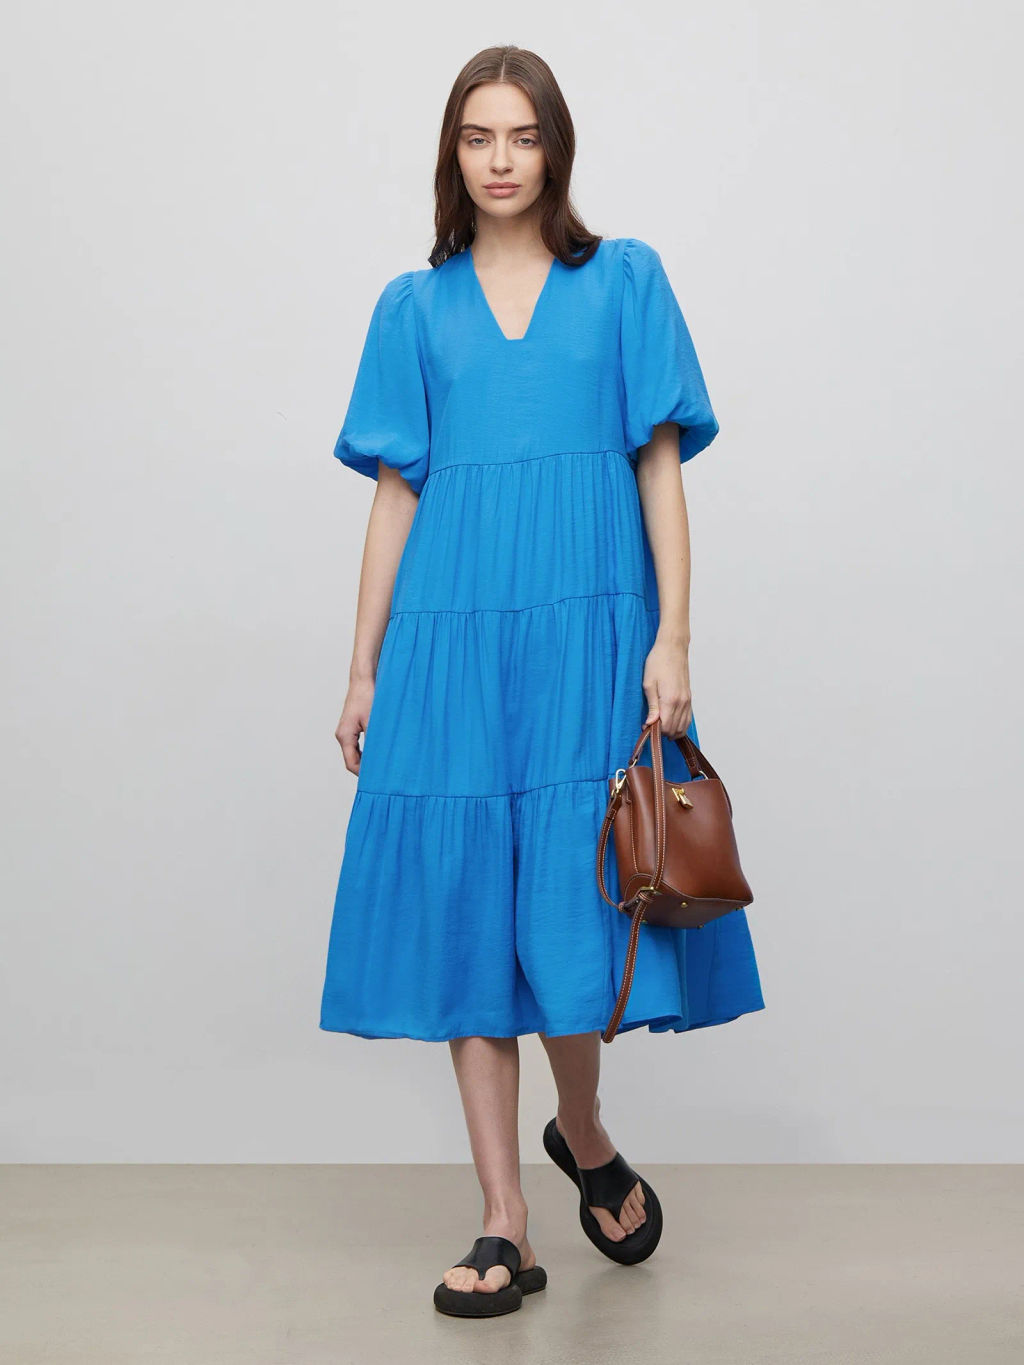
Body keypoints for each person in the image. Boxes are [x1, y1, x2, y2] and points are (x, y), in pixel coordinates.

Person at [318, 45, 765, 1318]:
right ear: (451, 154)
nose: (501, 159)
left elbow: (658, 464)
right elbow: (395, 496)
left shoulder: (623, 281)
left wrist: (674, 636)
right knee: (471, 905)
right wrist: (363, 664)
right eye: (478, 137)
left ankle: (583, 1128)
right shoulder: (412, 309)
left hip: (588, 633)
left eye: (522, 135)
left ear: (555, 148)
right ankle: (503, 1218)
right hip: (451, 641)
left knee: (573, 902)